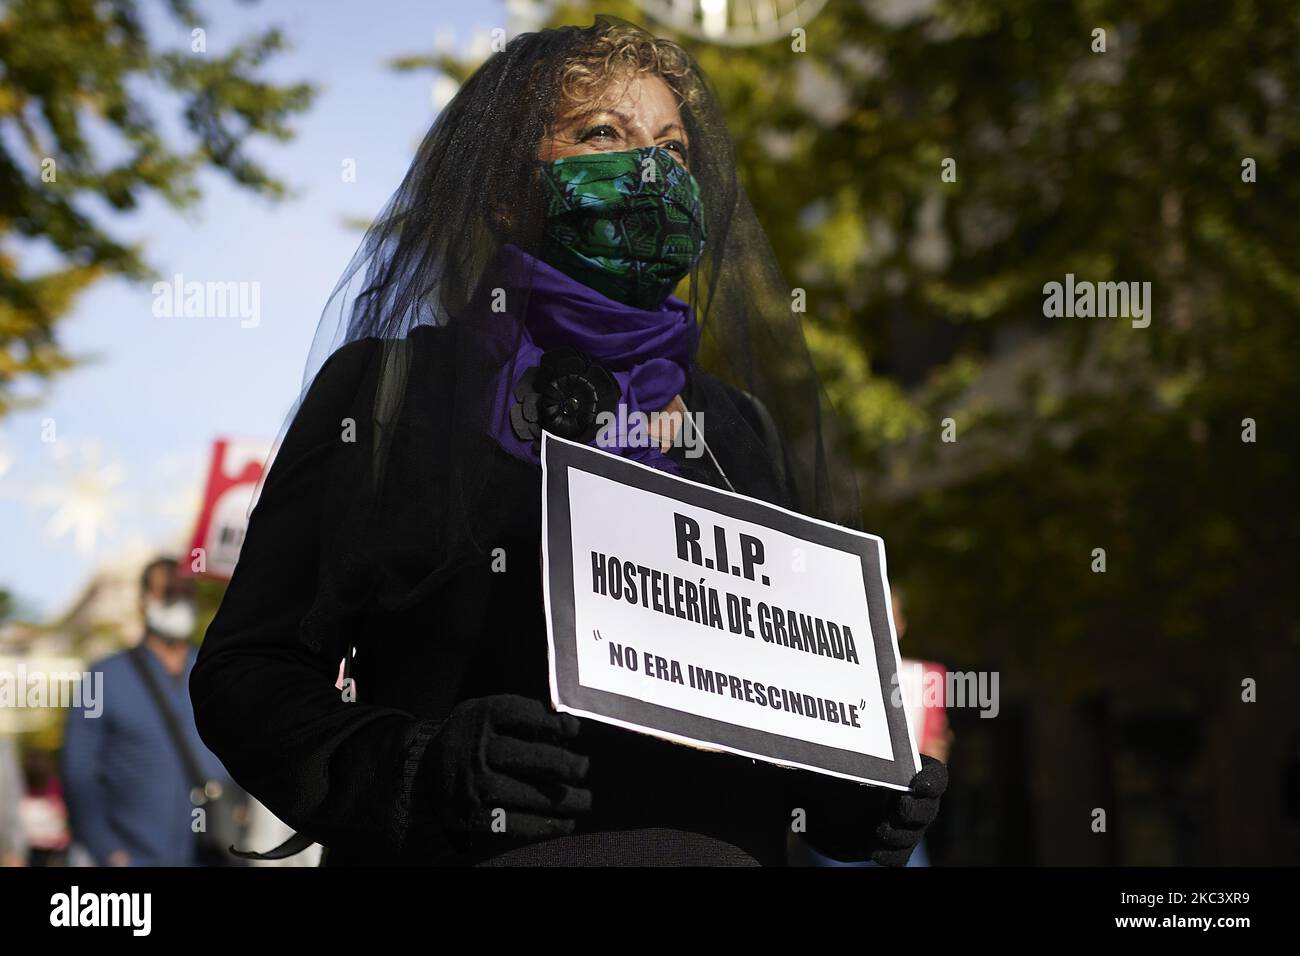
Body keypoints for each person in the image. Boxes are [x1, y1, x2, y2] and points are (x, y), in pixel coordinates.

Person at [191, 16, 946, 866]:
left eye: (674, 148)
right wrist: (414, 768)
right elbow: (247, 675)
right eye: (601, 135)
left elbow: (786, 722)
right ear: (508, 190)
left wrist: (859, 789)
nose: (654, 172)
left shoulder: (737, 430)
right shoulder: (390, 397)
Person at [63, 557, 241, 866]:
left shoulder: (218, 671)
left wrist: (243, 810)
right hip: (134, 858)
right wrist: (108, 851)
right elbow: (79, 772)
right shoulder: (100, 677)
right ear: (145, 601)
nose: (180, 601)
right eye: (169, 592)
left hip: (214, 854)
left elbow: (246, 747)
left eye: (187, 591)